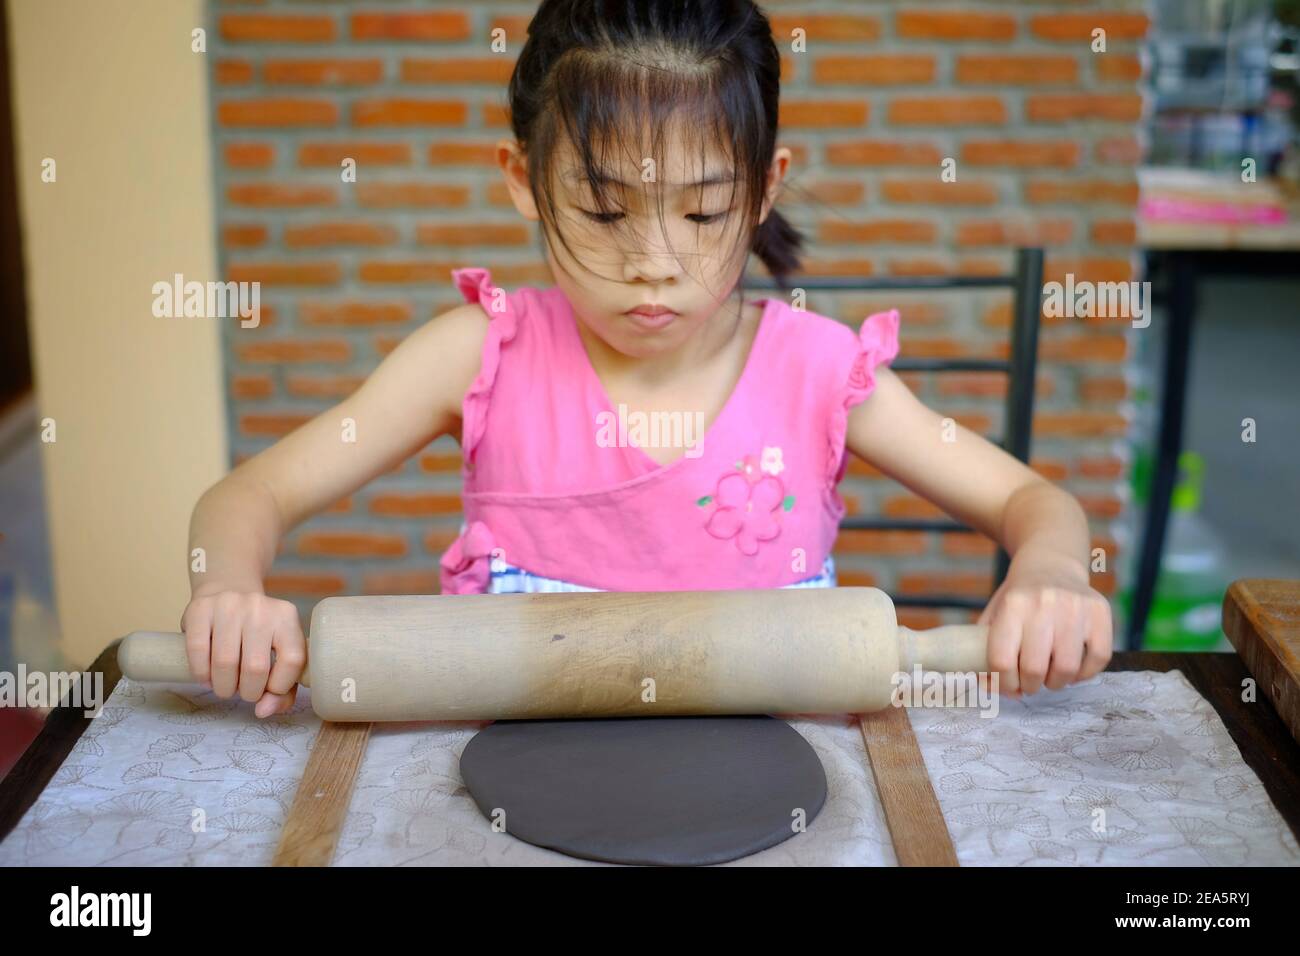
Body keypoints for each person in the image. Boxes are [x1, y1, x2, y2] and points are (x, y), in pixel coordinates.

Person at [181, 0, 1112, 718]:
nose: (654, 266)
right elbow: (244, 497)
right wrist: (229, 587)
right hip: (519, 804)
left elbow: (1039, 505)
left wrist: (1053, 575)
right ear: (523, 180)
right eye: (603, 210)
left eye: (704, 213)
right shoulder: (479, 357)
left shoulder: (819, 374)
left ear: (762, 189)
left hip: (778, 807)